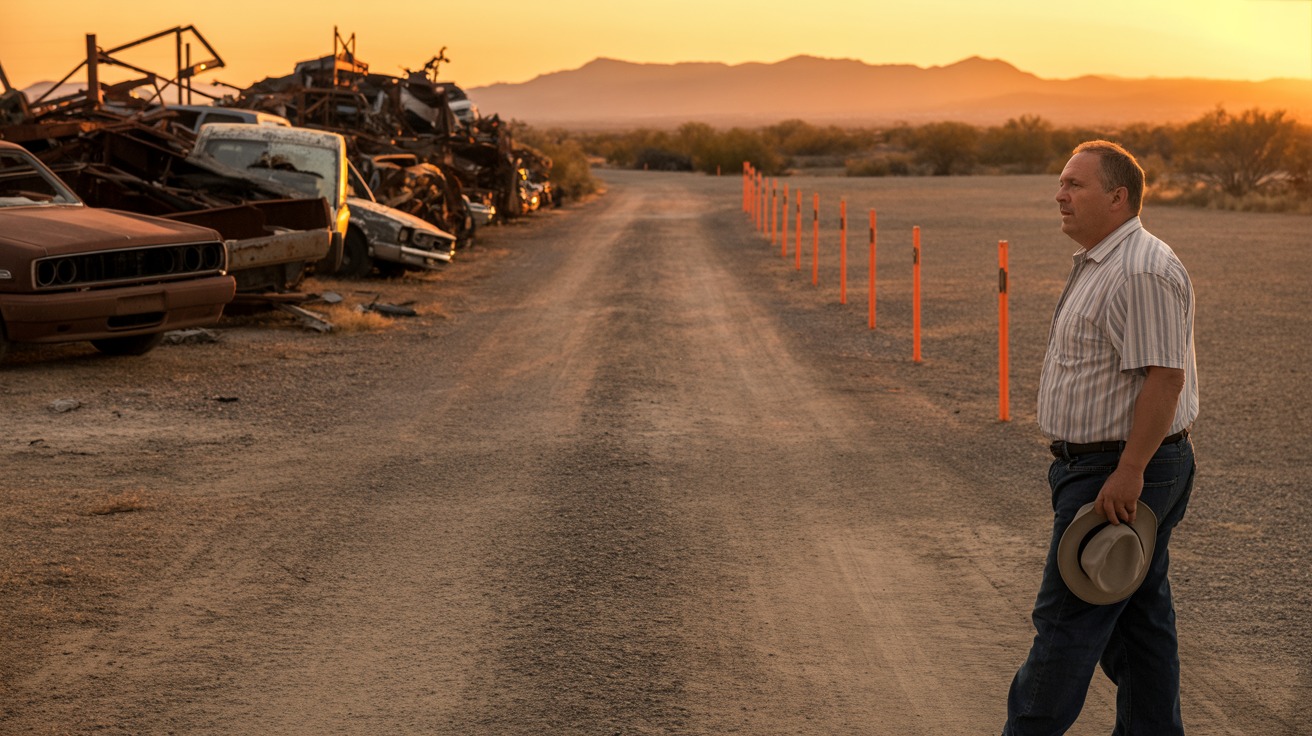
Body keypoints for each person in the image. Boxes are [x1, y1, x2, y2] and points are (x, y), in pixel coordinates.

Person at [1003, 140, 1199, 735]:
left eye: (1074, 185)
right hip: (1104, 468)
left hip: (1118, 473)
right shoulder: (1103, 260)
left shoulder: (1140, 269)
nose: (1060, 195)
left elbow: (1165, 378)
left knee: (1066, 624)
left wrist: (1130, 472)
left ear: (1118, 198)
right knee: (1140, 631)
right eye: (1060, 183)